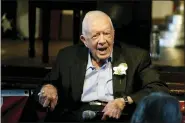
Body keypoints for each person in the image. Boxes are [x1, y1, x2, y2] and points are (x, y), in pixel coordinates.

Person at [32, 10, 169, 122]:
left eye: (107, 33)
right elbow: (46, 85)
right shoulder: (67, 57)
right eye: (96, 35)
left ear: (114, 34)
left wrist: (124, 101)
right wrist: (47, 89)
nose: (102, 41)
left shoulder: (136, 57)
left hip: (117, 119)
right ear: (84, 40)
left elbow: (159, 88)